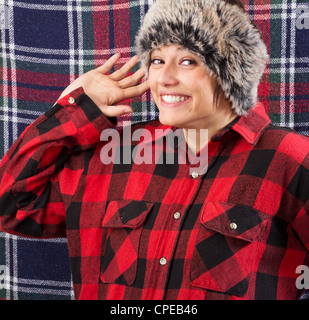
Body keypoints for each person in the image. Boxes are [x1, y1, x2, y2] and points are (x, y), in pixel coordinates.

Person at [0, 0, 308, 300]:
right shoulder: (116, 152)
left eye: (188, 60)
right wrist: (71, 108)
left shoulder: (290, 159)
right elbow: (10, 206)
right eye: (157, 60)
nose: (164, 78)